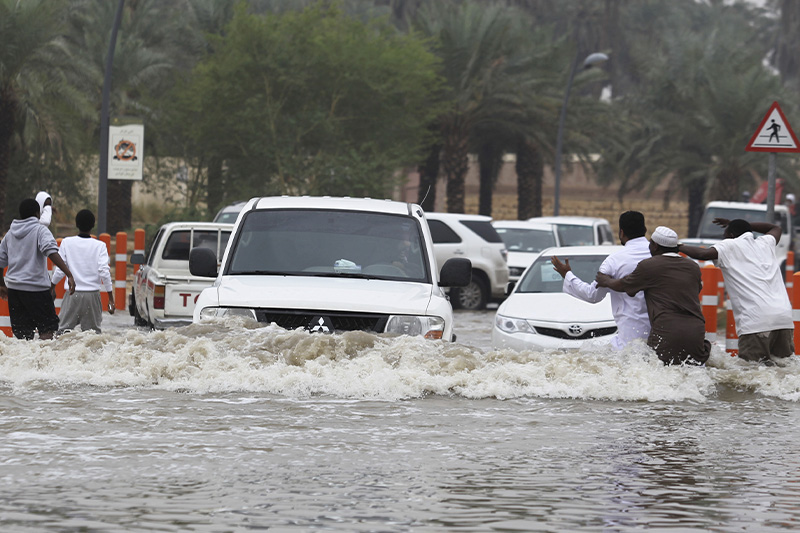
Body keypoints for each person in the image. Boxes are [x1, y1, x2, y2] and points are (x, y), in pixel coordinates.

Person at [678, 218, 794, 364]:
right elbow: (775, 227)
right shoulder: (765, 243)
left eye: (725, 234)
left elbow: (702, 254)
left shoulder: (729, 245)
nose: (723, 237)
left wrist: (677, 246)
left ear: (731, 234)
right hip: (784, 319)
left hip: (756, 321)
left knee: (751, 373)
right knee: (784, 369)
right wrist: (743, 225)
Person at [596, 226, 710, 365]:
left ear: (655, 246)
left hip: (667, 332)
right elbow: (695, 290)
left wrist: (606, 281)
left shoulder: (649, 265)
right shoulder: (692, 266)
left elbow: (624, 286)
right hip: (696, 333)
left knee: (660, 376)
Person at [550, 211, 651, 350]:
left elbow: (593, 295)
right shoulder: (659, 255)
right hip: (663, 333)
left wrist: (567, 275)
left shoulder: (614, 261)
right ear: (645, 230)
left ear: (621, 232)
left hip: (629, 337)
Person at [0, 198, 76, 340]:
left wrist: (1, 284)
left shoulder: (10, 234)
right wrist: (68, 274)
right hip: (36, 289)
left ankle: (24, 361)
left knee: (22, 334)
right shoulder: (40, 230)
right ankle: (43, 360)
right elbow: (51, 252)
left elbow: (0, 260)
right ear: (37, 213)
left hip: (15, 291)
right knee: (48, 329)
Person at [51, 209, 115, 333]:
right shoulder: (100, 246)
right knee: (93, 337)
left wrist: (52, 286)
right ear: (93, 225)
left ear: (76, 224)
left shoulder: (66, 243)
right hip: (92, 296)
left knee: (63, 333)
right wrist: (110, 297)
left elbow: (60, 270)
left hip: (71, 295)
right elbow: (104, 272)